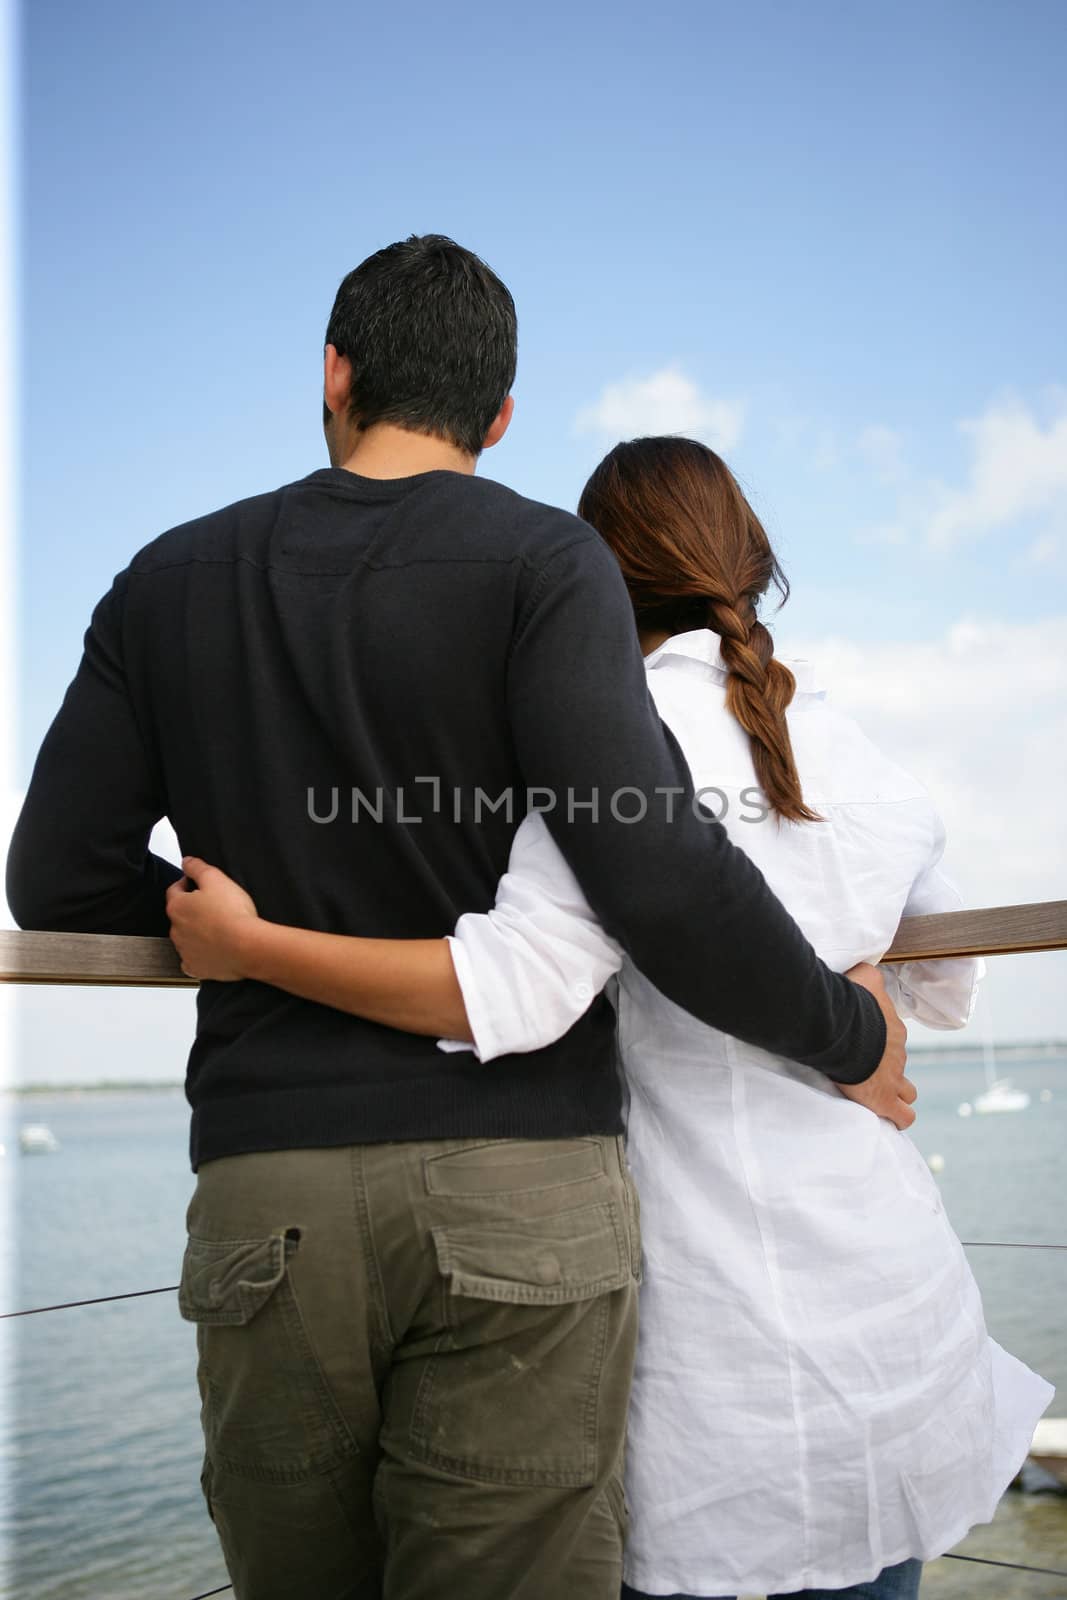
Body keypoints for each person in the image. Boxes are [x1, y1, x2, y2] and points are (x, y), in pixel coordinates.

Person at [7, 239, 911, 1600]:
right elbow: (655, 873)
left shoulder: (165, 579)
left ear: (333, 373)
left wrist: (210, 917)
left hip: (271, 1186)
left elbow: (56, 878)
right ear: (497, 417)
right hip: (520, 1180)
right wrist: (847, 1032)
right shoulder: (548, 564)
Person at [167, 436, 1053, 1600]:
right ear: (749, 563)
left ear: (592, 577)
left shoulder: (605, 739)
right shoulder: (849, 745)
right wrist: (850, 989)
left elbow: (517, 985)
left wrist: (252, 947)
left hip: (711, 1359)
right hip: (889, 1318)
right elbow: (941, 987)